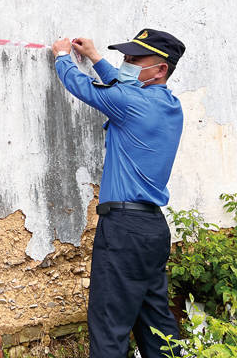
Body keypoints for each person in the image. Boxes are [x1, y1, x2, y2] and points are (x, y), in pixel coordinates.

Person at [51, 29, 186, 358]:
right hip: (152, 230)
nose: (126, 63)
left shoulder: (132, 103)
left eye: (135, 60)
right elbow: (123, 90)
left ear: (160, 70)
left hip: (124, 230)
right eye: (125, 57)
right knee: (157, 327)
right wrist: (96, 58)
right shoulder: (169, 105)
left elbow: (85, 88)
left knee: (109, 329)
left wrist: (62, 58)